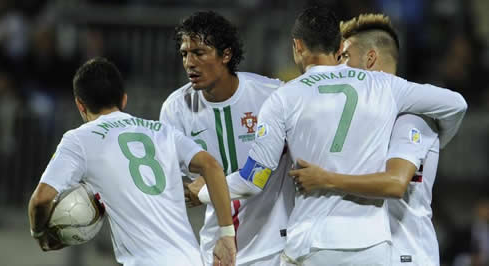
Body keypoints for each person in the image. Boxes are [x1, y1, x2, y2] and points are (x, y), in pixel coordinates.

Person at [196, 7, 467, 266]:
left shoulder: (284, 97)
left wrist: (206, 191)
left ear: (297, 46)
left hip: (312, 243)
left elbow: (252, 182)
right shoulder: (384, 85)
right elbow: (456, 104)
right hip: (372, 244)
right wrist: (436, 144)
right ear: (339, 49)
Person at [28, 57, 236, 266]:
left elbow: (41, 199)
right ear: (124, 100)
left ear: (80, 105)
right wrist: (227, 234)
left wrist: (40, 234)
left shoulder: (79, 139)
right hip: (191, 259)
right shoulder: (162, 131)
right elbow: (212, 166)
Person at [289, 14, 443, 266]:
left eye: (345, 57)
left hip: (406, 255)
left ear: (370, 59)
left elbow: (395, 184)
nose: (338, 67)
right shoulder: (360, 119)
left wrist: (326, 179)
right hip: (368, 251)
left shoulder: (410, 117)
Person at [160, 11, 294, 266]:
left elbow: (250, 181)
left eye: (199, 53)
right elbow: (177, 186)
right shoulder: (175, 109)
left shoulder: (272, 95)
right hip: (216, 249)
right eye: (184, 54)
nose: (189, 62)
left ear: (226, 54)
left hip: (274, 247)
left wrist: (202, 190)